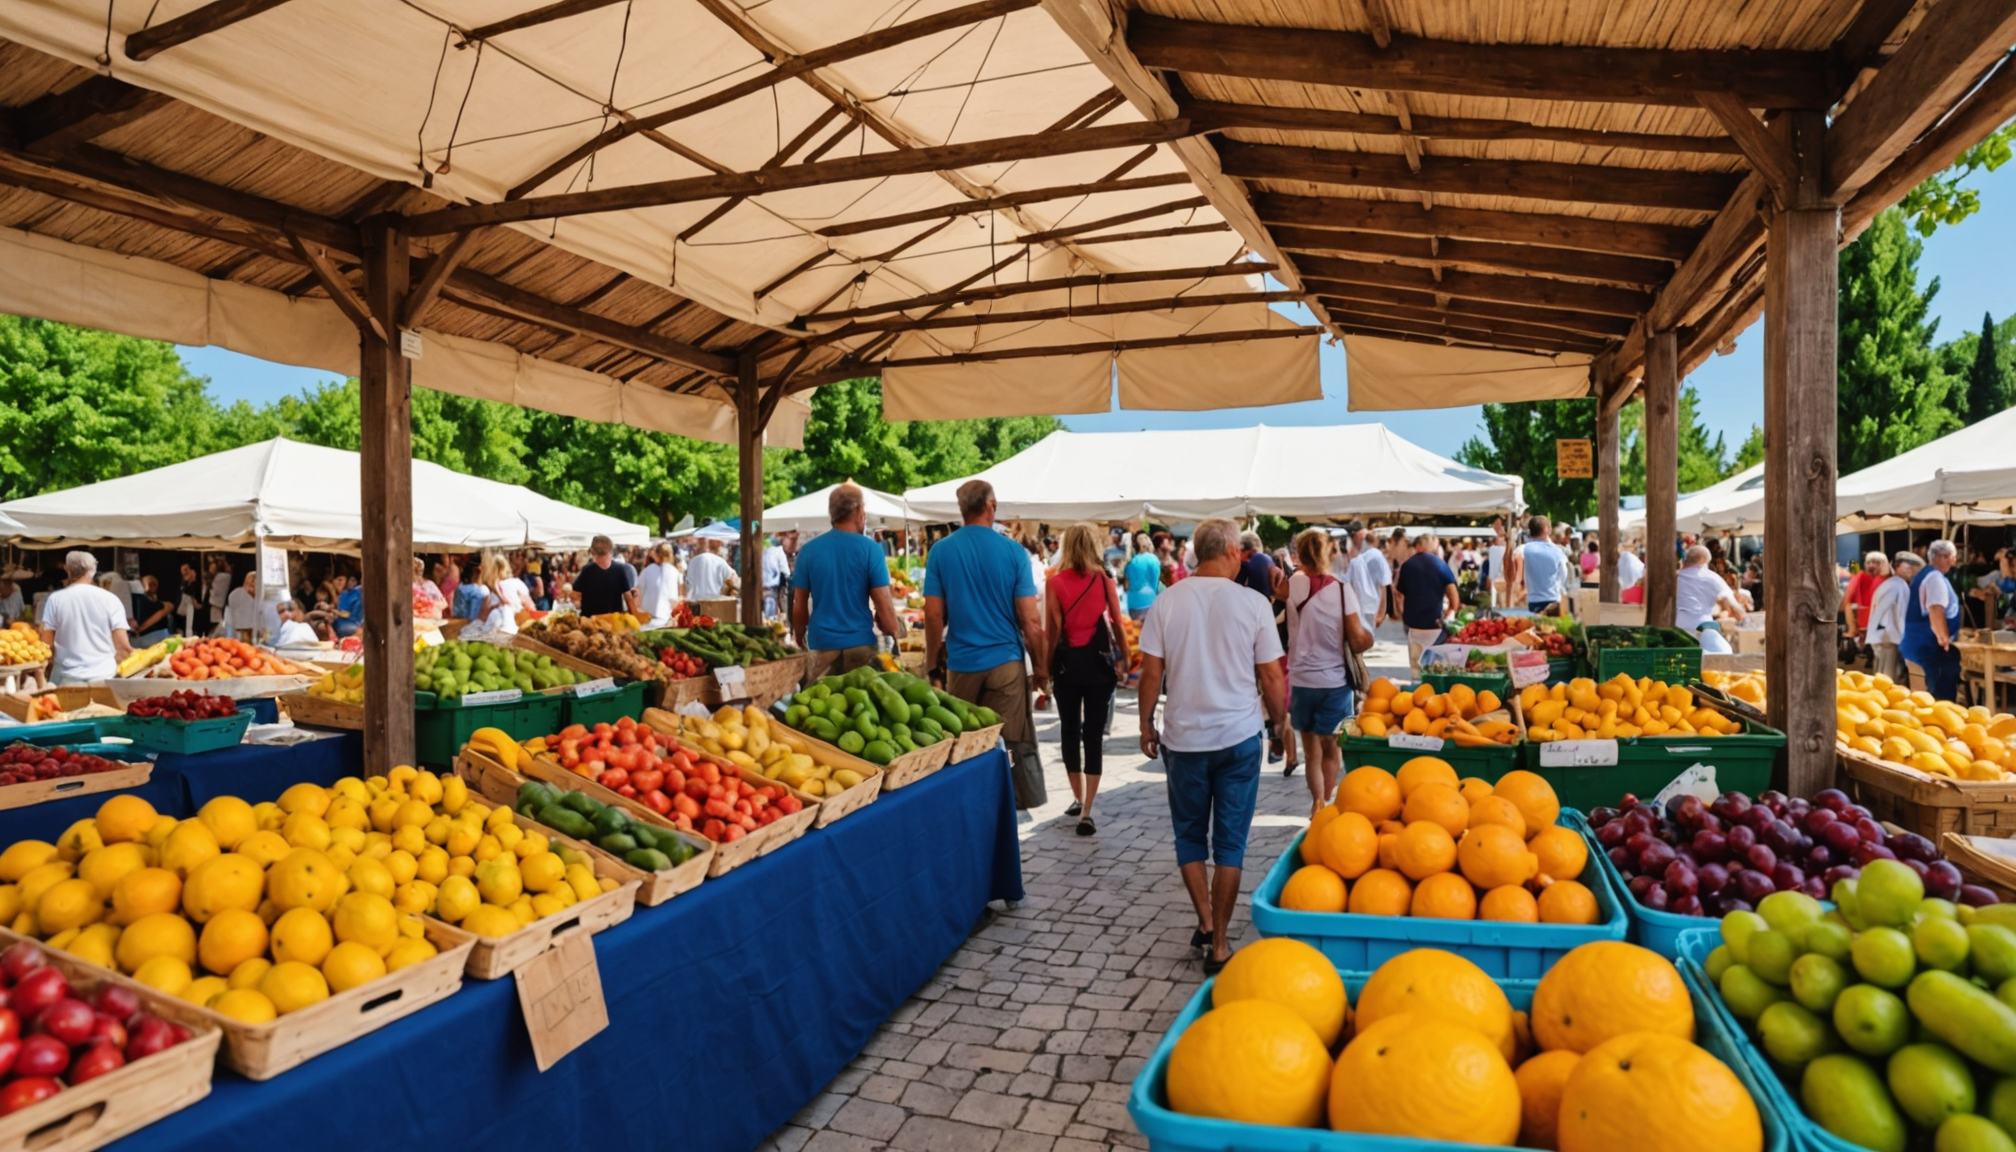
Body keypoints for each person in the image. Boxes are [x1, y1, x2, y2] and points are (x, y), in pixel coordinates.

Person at [1137, 518, 1286, 975]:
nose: (1243, 556)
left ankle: (1205, 921)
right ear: (1224, 551)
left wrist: (1146, 723)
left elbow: (1150, 674)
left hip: (1184, 738)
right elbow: (1272, 676)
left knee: (1188, 836)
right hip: (1239, 736)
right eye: (1240, 549)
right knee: (1231, 846)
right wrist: (1279, 721)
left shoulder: (1167, 601)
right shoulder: (1254, 603)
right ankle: (1219, 943)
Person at [923, 481, 1047, 808]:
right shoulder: (1013, 552)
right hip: (1006, 660)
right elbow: (1030, 621)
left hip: (962, 663)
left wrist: (932, 662)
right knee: (1011, 741)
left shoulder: (941, 551)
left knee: (964, 740)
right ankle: (1011, 801)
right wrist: (1043, 666)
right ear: (991, 506)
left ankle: (969, 802)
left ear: (962, 509)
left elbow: (934, 616)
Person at [1044, 523, 1128, 836]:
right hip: (1098, 665)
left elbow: (1052, 631)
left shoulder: (1054, 582)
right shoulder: (1104, 578)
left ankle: (1077, 797)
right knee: (1093, 735)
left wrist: (1043, 668)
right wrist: (1126, 655)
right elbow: (1117, 622)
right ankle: (1088, 810)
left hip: (1066, 666)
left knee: (1069, 730)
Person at [1285, 528, 1371, 815]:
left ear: (1300, 552)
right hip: (1335, 682)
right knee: (1333, 747)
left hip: (1301, 680)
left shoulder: (1292, 586)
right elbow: (1358, 640)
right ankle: (1327, 802)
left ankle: (1317, 802)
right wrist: (1371, 636)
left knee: (1310, 750)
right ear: (1327, 552)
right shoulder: (1342, 589)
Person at [792, 483, 903, 681]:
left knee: (820, 705)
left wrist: (799, 635)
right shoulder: (871, 550)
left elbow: (799, 605)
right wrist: (894, 631)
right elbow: (884, 605)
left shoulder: (808, 551)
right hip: (860, 646)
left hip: (821, 645)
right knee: (859, 706)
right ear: (859, 512)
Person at [38, 552, 131, 685]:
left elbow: (47, 644)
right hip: (104, 677)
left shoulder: (55, 599)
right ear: (93, 571)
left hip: (66, 678)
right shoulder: (111, 599)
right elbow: (123, 647)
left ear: (67, 569)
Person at [1903, 539, 1965, 701]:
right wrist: (1944, 640)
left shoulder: (1925, 575)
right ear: (1942, 557)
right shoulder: (1935, 578)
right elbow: (1936, 609)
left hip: (1918, 643)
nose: (1954, 561)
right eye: (1953, 556)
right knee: (1941, 692)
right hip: (1930, 645)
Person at [1395, 531, 1459, 674]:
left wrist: (1401, 613)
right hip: (1435, 623)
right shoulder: (1441, 564)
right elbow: (1454, 596)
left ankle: (1417, 690)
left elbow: (1399, 595)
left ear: (1418, 546)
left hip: (1413, 624)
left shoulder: (1407, 566)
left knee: (1416, 665)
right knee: (1434, 666)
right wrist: (1450, 611)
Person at [1676, 545, 1746, 652]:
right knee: (1724, 653)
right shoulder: (1711, 577)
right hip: (1700, 630)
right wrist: (1741, 615)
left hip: (1674, 629)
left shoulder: (1675, 577)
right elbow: (1735, 608)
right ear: (1703, 560)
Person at [1867, 552, 1918, 683]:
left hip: (1885, 637)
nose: (1910, 571)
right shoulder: (1896, 585)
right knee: (1888, 679)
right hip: (1889, 638)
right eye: (1907, 567)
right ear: (1897, 567)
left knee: (1884, 676)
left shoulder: (1894, 584)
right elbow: (1895, 614)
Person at [1508, 516, 1570, 614]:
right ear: (1547, 530)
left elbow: (1513, 573)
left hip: (1533, 600)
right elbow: (1563, 573)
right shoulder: (1557, 551)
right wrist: (1555, 587)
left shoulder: (1522, 550)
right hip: (1553, 598)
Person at [572, 535, 637, 617]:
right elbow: (628, 598)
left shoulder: (587, 570)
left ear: (593, 552)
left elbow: (575, 595)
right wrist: (635, 618)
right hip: (614, 622)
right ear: (611, 550)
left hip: (592, 622)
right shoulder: (620, 569)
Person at [1346, 525, 1391, 633]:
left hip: (1359, 608)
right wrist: (1381, 614)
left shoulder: (1358, 558)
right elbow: (1384, 586)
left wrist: (1381, 614)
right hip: (1367, 609)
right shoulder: (1375, 557)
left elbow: (1383, 586)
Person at [1842, 553, 1887, 648]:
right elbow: (1848, 600)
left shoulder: (1889, 579)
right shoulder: (1860, 577)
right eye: (1869, 562)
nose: (1871, 565)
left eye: (1875, 562)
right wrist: (1852, 627)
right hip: (1865, 619)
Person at [635, 544, 680, 629]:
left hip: (645, 616)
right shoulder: (672, 571)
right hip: (663, 618)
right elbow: (673, 598)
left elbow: (638, 590)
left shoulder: (647, 570)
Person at [491, 553, 534, 634]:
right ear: (502, 569)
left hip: (497, 627)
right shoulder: (516, 583)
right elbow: (531, 606)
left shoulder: (491, 589)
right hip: (516, 626)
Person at [1124, 532, 1162, 621]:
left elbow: (1127, 583)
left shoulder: (1132, 561)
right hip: (1148, 600)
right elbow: (1155, 582)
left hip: (1132, 601)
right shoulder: (1153, 559)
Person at [127, 574, 171, 647]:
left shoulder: (163, 604)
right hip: (142, 642)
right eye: (150, 584)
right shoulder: (137, 601)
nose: (152, 586)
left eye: (154, 584)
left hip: (160, 640)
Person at [224, 570, 262, 640]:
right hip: (240, 637)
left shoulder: (263, 597)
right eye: (250, 584)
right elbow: (230, 621)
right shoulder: (235, 595)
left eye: (254, 583)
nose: (252, 587)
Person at [761, 536, 791, 621]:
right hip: (774, 585)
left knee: (768, 610)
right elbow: (785, 571)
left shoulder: (763, 551)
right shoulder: (778, 551)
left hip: (764, 586)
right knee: (777, 609)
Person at [412, 558, 446, 623]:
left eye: (419, 569)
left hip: (431, 620)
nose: (418, 571)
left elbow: (442, 602)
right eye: (415, 569)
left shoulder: (430, 584)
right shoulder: (410, 585)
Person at [206, 557, 232, 637]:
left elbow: (216, 595)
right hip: (216, 609)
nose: (210, 566)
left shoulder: (222, 577)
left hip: (217, 609)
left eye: (212, 564)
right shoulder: (220, 577)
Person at [333, 572, 364, 639]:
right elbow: (344, 614)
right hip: (346, 624)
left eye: (353, 581)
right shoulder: (346, 595)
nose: (350, 583)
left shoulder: (360, 591)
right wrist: (333, 610)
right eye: (350, 580)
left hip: (359, 623)